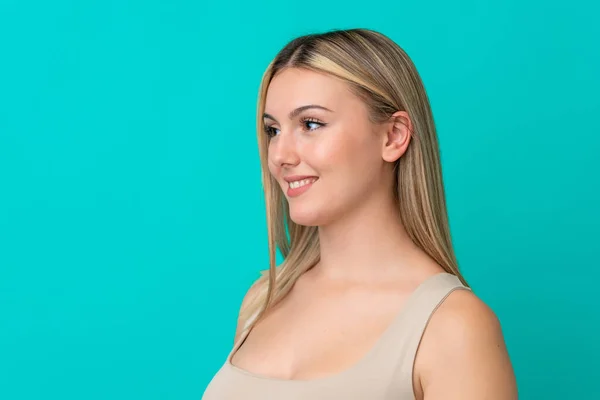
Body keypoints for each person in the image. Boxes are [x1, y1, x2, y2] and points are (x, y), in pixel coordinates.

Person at [202, 28, 518, 399]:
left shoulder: (453, 327)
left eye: (311, 124)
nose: (279, 156)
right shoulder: (263, 299)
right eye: (273, 129)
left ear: (393, 136)